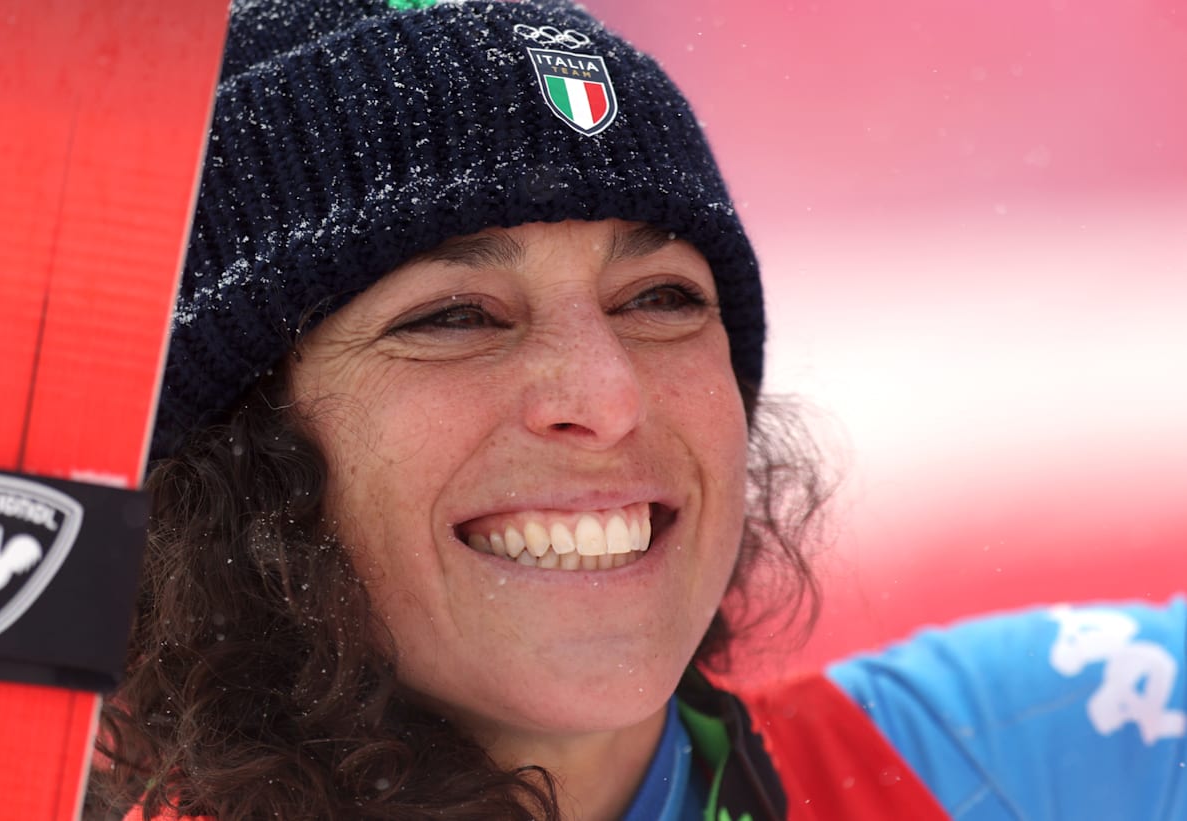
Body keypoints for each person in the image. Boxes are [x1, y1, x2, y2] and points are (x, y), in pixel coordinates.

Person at [94, 1, 1187, 818]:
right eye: (456, 316)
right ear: (233, 461)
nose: (608, 396)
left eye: (660, 299)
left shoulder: (1034, 759)